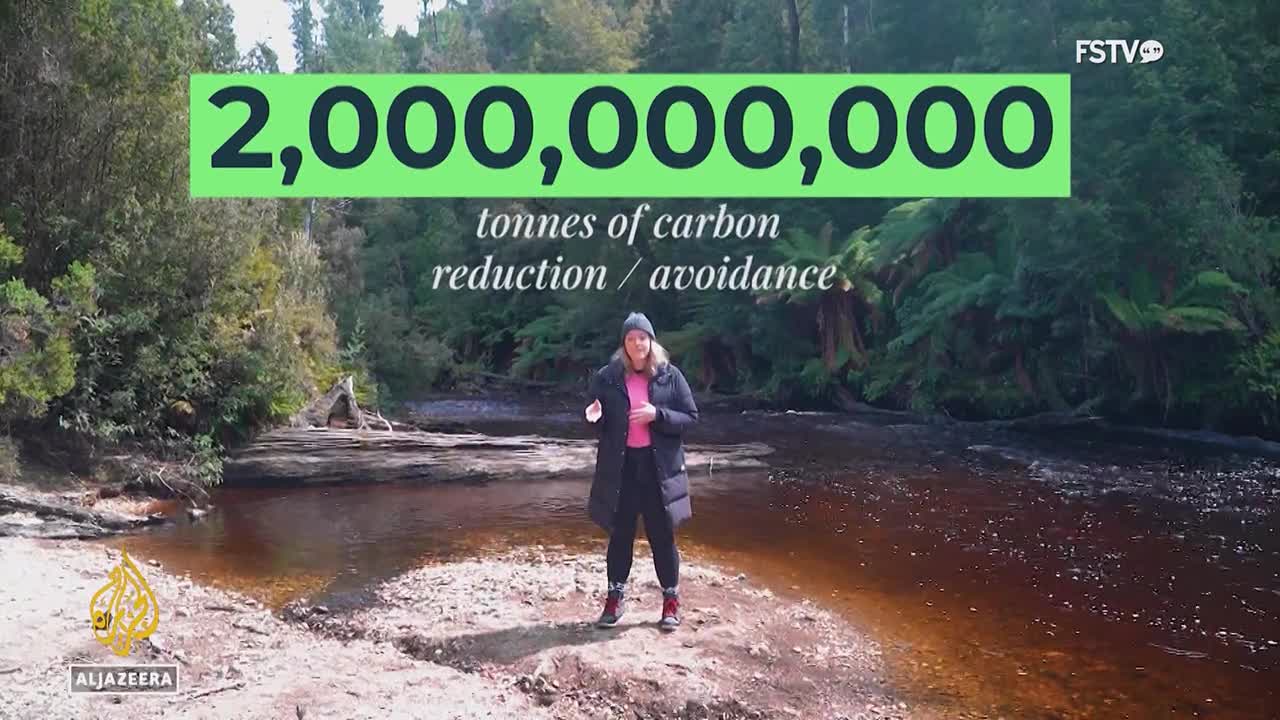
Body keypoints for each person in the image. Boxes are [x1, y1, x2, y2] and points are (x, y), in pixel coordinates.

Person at [584, 312, 698, 632]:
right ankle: (615, 598)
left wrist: (657, 414)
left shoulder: (670, 376)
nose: (637, 344)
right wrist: (594, 416)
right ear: (624, 344)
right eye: (631, 338)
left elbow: (690, 417)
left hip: (658, 467)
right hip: (620, 468)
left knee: (662, 536)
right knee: (620, 535)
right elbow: (596, 417)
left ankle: (671, 601)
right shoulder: (607, 377)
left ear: (651, 342)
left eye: (642, 338)